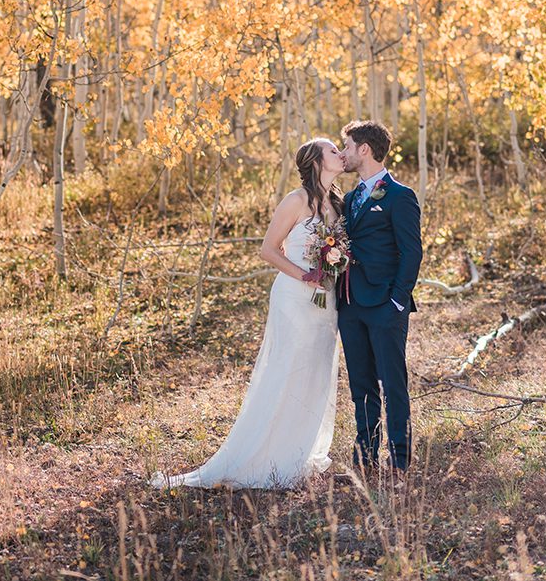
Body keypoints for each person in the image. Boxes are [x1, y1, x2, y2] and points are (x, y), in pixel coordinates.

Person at [150, 138, 345, 489]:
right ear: (316, 161)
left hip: (325, 301)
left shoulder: (337, 203)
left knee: (316, 373)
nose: (340, 154)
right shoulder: (296, 201)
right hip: (295, 297)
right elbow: (268, 250)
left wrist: (332, 268)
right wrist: (306, 275)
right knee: (288, 371)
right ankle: (264, 456)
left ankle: (297, 452)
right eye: (333, 150)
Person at [336, 120, 423, 475]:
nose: (342, 154)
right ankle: (366, 456)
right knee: (361, 384)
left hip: (386, 306)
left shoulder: (400, 196)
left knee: (393, 384)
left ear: (364, 150)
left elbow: (412, 252)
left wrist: (398, 301)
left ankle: (400, 459)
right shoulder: (351, 198)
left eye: (346, 146)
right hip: (351, 305)